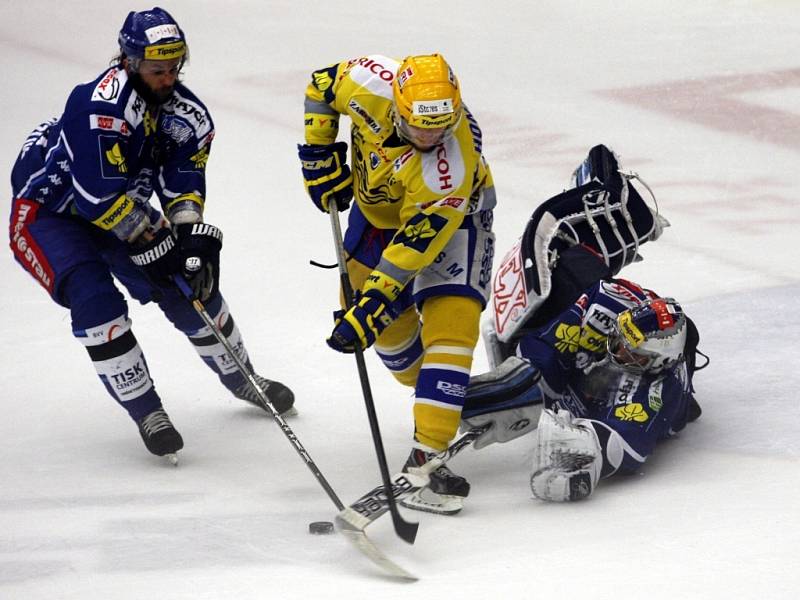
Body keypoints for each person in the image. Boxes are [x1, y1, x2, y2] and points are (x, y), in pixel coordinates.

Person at [8, 7, 294, 463]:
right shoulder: (97, 106)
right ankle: (148, 412)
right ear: (128, 61)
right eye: (156, 69)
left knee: (187, 283)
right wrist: (153, 244)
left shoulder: (189, 116)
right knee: (95, 300)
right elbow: (95, 199)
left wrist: (189, 239)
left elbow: (182, 183)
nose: (167, 79)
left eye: (174, 68)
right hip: (50, 214)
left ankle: (244, 378)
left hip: (120, 206)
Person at [298, 54, 496, 514]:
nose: (430, 137)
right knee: (391, 343)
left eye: (440, 128)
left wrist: (372, 302)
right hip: (374, 220)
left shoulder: (449, 167)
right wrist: (318, 153)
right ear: (399, 107)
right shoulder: (369, 81)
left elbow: (413, 249)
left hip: (455, 220)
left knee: (452, 328)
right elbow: (321, 86)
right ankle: (444, 393)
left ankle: (428, 455)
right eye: (419, 127)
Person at [462, 145, 705, 501]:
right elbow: (552, 339)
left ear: (656, 364)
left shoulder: (656, 391)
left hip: (603, 407)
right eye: (622, 338)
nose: (619, 349)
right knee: (569, 269)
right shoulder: (611, 305)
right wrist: (525, 377)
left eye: (631, 353)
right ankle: (599, 194)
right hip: (588, 341)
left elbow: (623, 447)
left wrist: (576, 449)